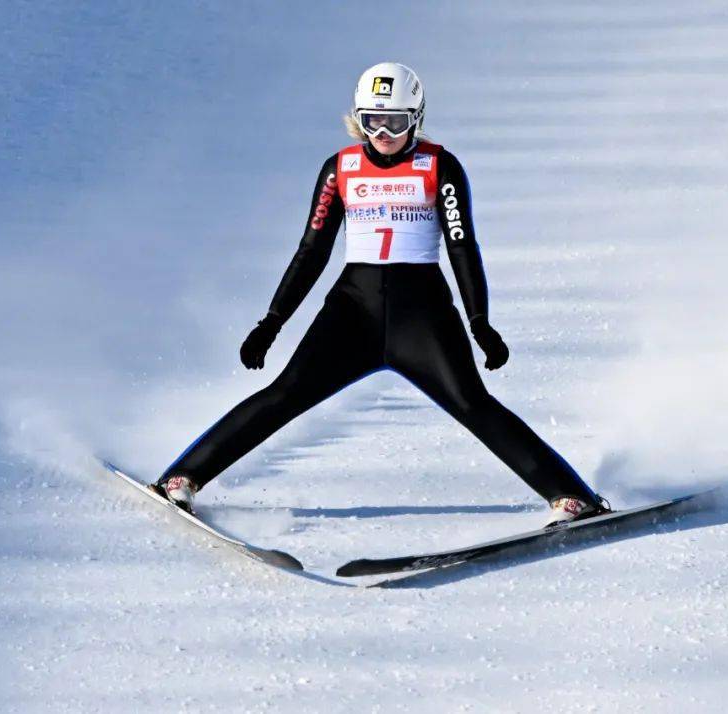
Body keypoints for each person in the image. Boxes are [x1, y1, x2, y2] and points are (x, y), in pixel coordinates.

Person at [155, 62, 608, 527]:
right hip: (354, 310)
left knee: (473, 405)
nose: (383, 132)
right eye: (372, 120)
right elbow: (312, 250)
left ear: (417, 117)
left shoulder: (439, 166)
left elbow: (462, 245)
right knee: (284, 394)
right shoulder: (340, 169)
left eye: (396, 121)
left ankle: (572, 498)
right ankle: (182, 479)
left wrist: (479, 322)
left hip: (422, 314)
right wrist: (272, 322)